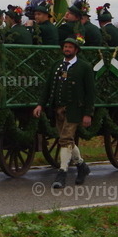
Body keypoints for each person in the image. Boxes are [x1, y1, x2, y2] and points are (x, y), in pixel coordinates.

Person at [34, 36, 95, 188]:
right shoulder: (57, 66)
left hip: (75, 110)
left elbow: (90, 93)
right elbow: (48, 87)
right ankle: (82, 166)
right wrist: (40, 105)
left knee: (65, 139)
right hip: (58, 109)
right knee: (66, 140)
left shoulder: (85, 67)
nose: (67, 49)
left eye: (70, 47)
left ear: (76, 50)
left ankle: (62, 173)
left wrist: (88, 113)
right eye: (65, 47)